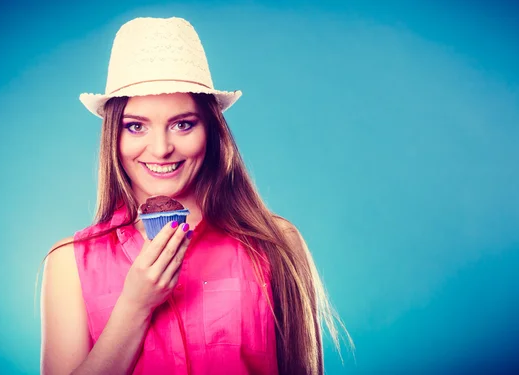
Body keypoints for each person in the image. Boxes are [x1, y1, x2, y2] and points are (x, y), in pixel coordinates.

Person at [40, 17, 350, 375]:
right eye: (136, 125)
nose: (161, 148)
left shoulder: (276, 245)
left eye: (183, 124)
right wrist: (135, 307)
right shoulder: (69, 264)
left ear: (211, 131)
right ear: (114, 136)